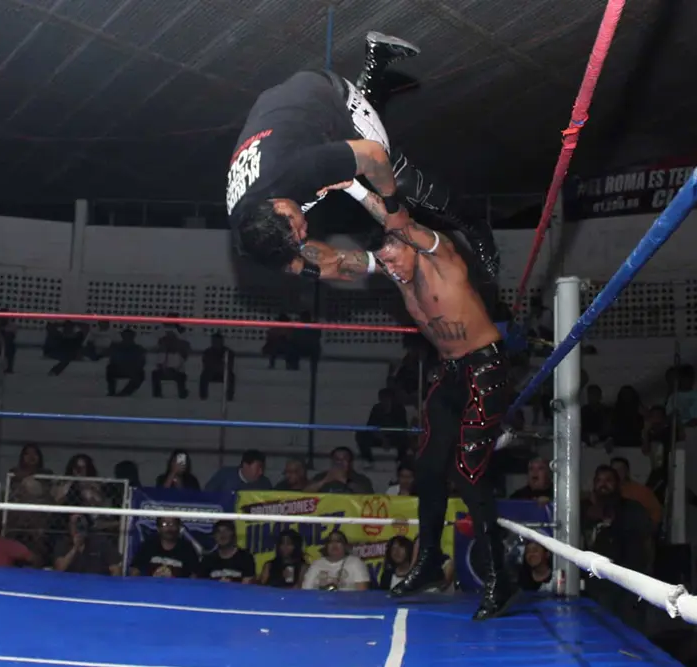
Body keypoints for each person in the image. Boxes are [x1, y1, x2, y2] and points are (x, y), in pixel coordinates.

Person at [300, 201, 518, 620]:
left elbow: (398, 219)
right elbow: (335, 260)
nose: (393, 269)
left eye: (395, 257)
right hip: (449, 372)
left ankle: (499, 578)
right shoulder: (393, 267)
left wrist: (354, 186)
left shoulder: (441, 256)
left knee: (467, 473)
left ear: (409, 243)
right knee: (428, 468)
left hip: (485, 368)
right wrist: (291, 249)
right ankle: (430, 559)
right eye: (385, 262)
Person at [226, 32, 499, 281]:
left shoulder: (298, 171)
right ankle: (377, 62)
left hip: (326, 95)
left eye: (296, 231)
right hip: (284, 113)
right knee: (353, 176)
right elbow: (278, 258)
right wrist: (314, 271)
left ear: (279, 206)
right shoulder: (245, 225)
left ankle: (475, 224)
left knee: (396, 179)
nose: (304, 234)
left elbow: (373, 155)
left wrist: (393, 208)